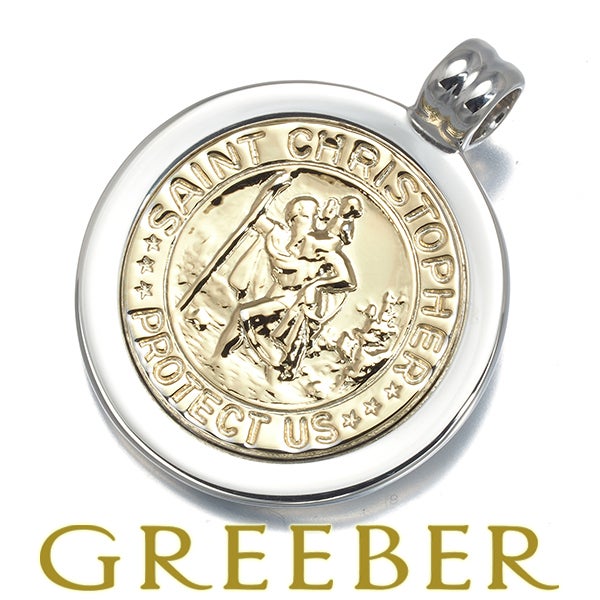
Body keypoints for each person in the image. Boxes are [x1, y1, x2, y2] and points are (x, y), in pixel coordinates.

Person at [214, 193, 362, 381]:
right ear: (292, 219)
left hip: (293, 300)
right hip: (275, 294)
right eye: (303, 216)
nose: (310, 220)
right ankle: (220, 358)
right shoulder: (280, 236)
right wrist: (269, 192)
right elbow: (256, 219)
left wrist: (315, 285)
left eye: (312, 216)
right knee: (243, 319)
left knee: (245, 315)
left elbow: (348, 280)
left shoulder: (321, 247)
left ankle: (275, 364)